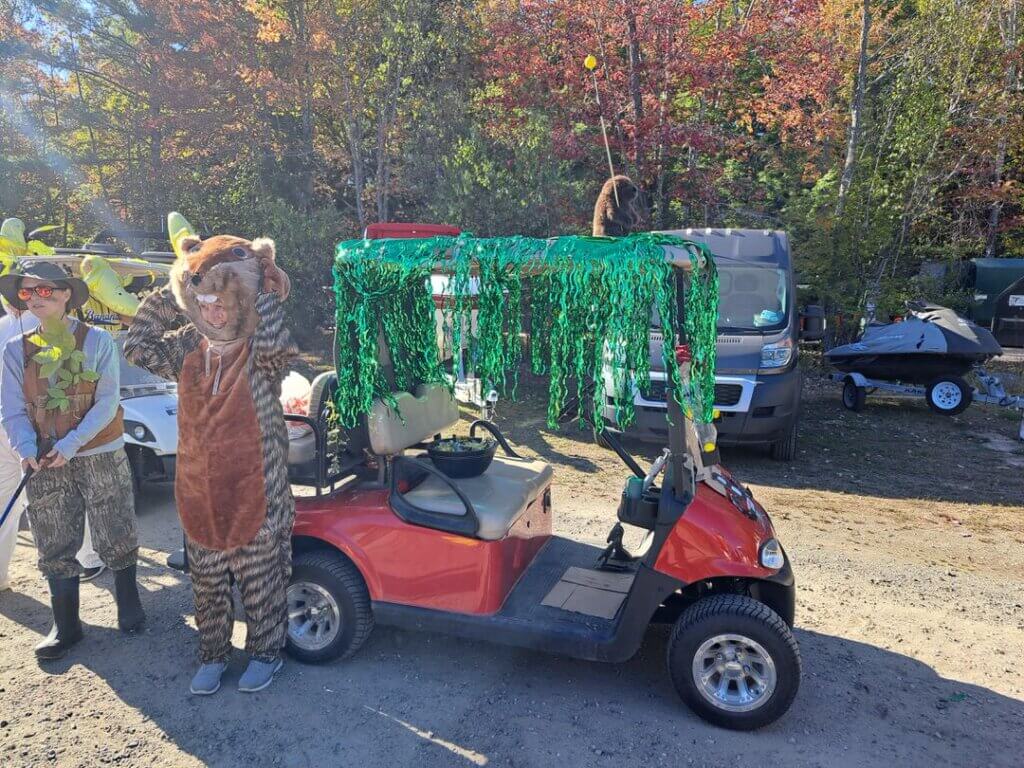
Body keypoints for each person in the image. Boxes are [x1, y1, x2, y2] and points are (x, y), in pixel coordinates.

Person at [124, 230, 296, 695]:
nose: (213, 311)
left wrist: (262, 281)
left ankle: (265, 653)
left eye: (223, 301)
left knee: (261, 578)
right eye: (203, 302)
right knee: (207, 582)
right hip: (200, 490)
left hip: (255, 487)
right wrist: (180, 279)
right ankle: (214, 653)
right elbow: (135, 346)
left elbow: (278, 342)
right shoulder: (186, 348)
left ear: (242, 300)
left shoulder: (260, 351)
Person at [0, 262, 144, 659]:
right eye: (28, 292)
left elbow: (107, 400)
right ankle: (66, 626)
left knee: (114, 524)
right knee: (52, 535)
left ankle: (129, 606)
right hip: (44, 459)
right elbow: (12, 409)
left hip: (98, 450)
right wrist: (27, 449)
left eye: (44, 290)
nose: (35, 298)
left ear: (66, 294)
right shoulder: (17, 349)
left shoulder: (97, 341)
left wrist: (71, 444)